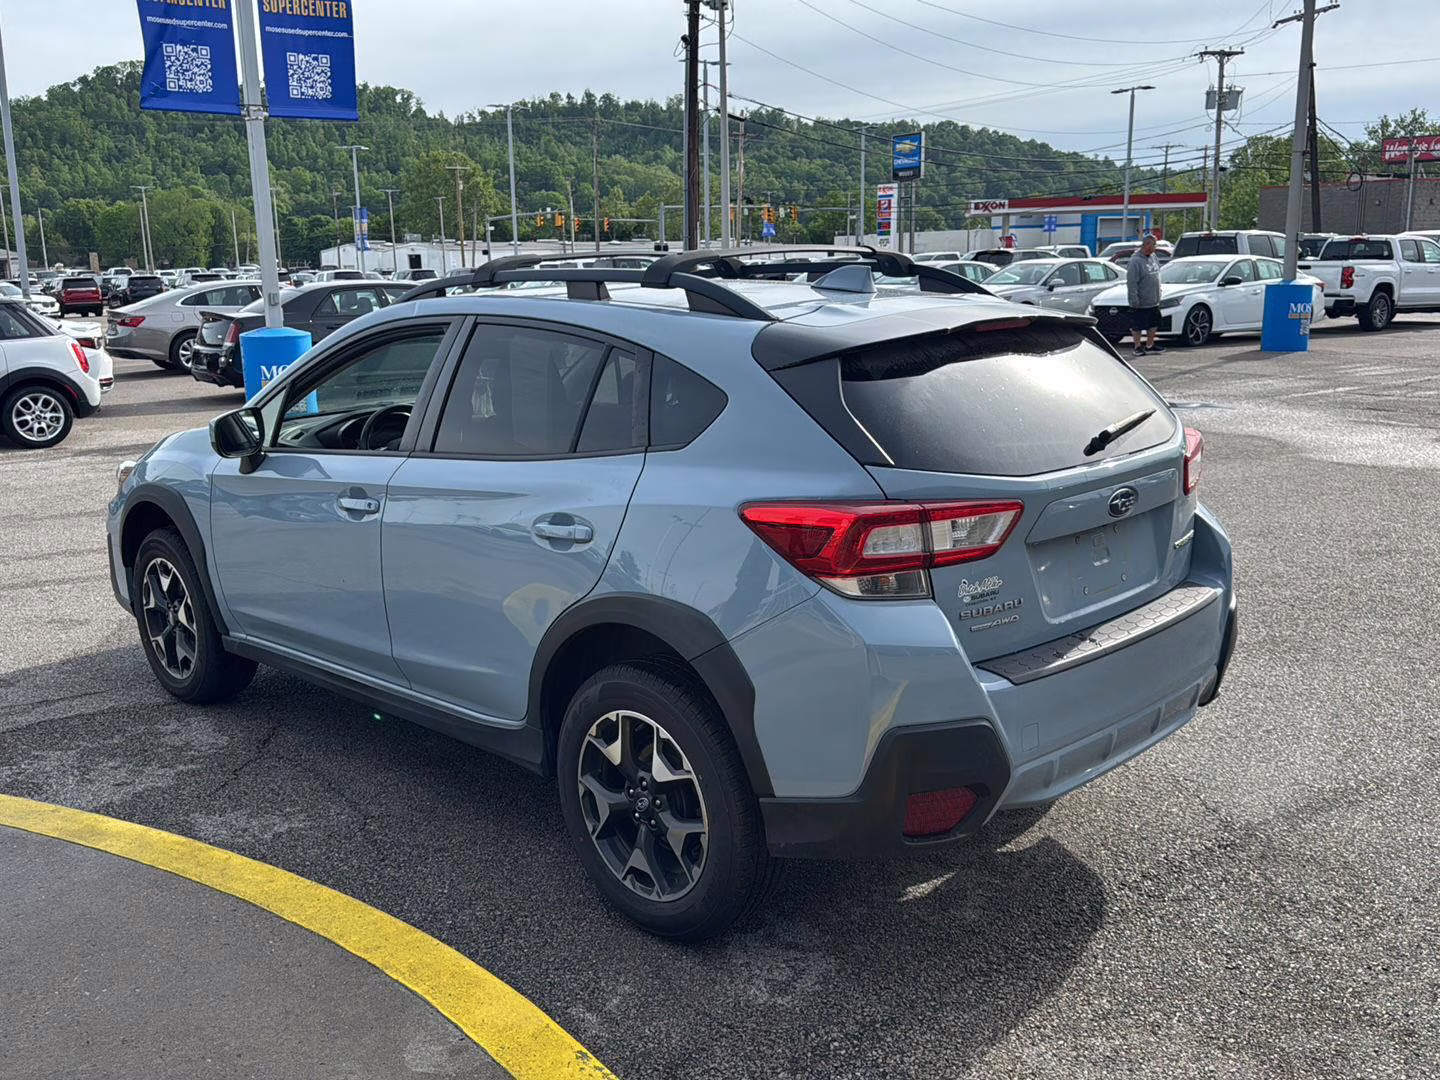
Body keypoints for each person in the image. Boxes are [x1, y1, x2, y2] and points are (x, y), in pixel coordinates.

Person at [1126, 234, 1166, 357]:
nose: (1155, 247)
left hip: (1153, 300)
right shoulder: (1135, 261)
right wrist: (1134, 299)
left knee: (1154, 324)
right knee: (1137, 325)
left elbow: (1156, 274)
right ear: (1147, 244)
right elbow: (1132, 282)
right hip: (1141, 301)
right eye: (1154, 244)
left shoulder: (1153, 257)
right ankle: (1137, 346)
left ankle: (1150, 345)